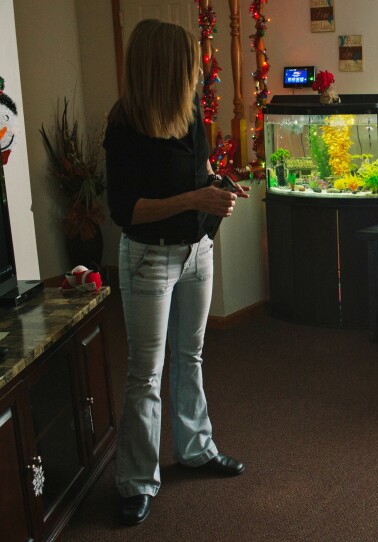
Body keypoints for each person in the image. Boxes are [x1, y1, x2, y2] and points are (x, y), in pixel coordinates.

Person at [104, 19, 249, 526]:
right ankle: (136, 481)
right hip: (148, 259)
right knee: (144, 373)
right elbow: (126, 210)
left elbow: (196, 175)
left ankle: (196, 449)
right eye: (190, 65)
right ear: (164, 67)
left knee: (190, 356)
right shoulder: (124, 126)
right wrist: (195, 197)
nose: (197, 75)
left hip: (195, 254)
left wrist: (219, 184)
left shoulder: (190, 116)